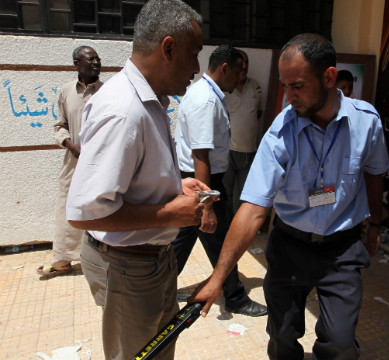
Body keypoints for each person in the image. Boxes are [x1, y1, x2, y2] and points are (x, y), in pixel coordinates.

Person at [189, 33, 389, 359]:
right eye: (285, 85)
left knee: (340, 344)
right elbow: (253, 209)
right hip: (289, 248)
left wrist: (376, 225)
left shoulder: (366, 122)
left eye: (297, 85)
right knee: (282, 338)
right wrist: (218, 278)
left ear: (328, 77)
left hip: (342, 250)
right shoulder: (281, 132)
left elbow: (375, 172)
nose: (288, 95)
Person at [66, 1, 209, 359]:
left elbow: (134, 180)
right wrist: (169, 214)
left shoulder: (151, 101)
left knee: (158, 351)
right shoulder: (123, 111)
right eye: (194, 55)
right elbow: (83, 213)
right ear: (169, 48)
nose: (196, 68)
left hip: (151, 260)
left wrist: (176, 189)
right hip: (127, 266)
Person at [173, 45, 267, 317]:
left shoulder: (206, 94)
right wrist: (207, 206)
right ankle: (235, 296)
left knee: (184, 238)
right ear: (224, 68)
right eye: (238, 72)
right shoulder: (206, 99)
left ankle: (161, 286)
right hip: (204, 182)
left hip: (199, 181)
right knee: (221, 239)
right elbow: (201, 153)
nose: (240, 78)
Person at [37, 46, 102, 277]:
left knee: (100, 206)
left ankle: (100, 257)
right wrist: (70, 145)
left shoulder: (107, 91)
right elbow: (59, 125)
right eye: (90, 59)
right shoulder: (66, 91)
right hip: (74, 161)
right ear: (77, 64)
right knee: (67, 206)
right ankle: (63, 260)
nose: (96, 62)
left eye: (97, 59)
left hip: (102, 163)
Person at [222, 49, 264, 215]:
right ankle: (224, 225)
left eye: (247, 62)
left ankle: (237, 226)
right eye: (241, 63)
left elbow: (257, 113)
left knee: (245, 193)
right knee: (225, 190)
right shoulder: (224, 89)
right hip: (228, 150)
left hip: (250, 150)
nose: (244, 66)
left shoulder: (256, 86)